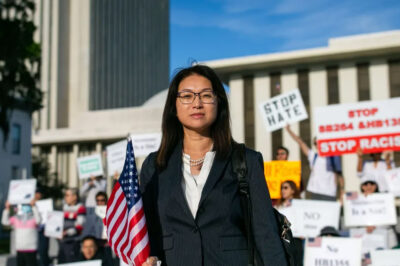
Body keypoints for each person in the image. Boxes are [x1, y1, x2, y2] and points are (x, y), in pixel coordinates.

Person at [139, 65, 287, 266]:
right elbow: (147, 231)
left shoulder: (246, 160)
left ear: (219, 102)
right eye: (187, 96)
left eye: (206, 95)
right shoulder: (154, 166)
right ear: (174, 106)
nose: (197, 103)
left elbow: (266, 233)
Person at [286, 126, 344, 201]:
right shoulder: (313, 156)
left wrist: (342, 193)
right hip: (315, 193)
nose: (317, 145)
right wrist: (289, 130)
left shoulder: (332, 157)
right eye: (315, 143)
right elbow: (300, 142)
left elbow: (339, 176)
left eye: (319, 142)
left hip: (329, 193)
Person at [2, 199, 41, 266]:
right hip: (20, 249)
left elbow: (38, 220)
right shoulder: (15, 218)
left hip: (31, 248)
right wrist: (7, 209)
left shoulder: (33, 218)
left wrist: (34, 206)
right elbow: (4, 222)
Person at [58, 188, 86, 263]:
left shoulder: (80, 208)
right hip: (62, 241)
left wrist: (66, 233)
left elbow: (79, 226)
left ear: (74, 197)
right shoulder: (64, 207)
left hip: (73, 242)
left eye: (67, 195)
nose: (65, 197)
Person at [34, 189, 51, 266]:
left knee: (43, 251)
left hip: (43, 230)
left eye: (39, 193)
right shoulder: (29, 205)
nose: (37, 195)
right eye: (36, 193)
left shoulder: (45, 204)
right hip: (33, 231)